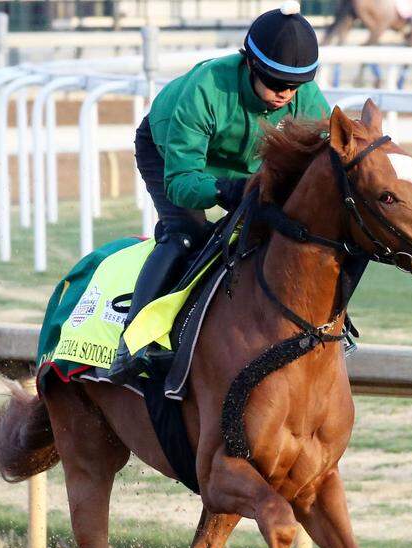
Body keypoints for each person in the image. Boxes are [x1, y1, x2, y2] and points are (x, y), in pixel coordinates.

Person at [107, 0, 331, 384]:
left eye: (294, 86)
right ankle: (133, 342)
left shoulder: (305, 99)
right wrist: (225, 189)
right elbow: (180, 183)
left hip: (246, 170)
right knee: (186, 235)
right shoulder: (208, 88)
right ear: (251, 65)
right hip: (170, 155)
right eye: (277, 84)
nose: (285, 95)